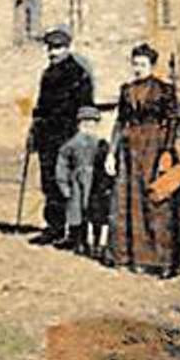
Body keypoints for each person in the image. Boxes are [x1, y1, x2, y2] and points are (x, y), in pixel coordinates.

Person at [106, 43, 180, 275]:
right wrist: (112, 152)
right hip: (131, 154)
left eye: (142, 64)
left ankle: (164, 261)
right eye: (135, 64)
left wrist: (167, 152)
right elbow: (121, 122)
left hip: (155, 150)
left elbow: (172, 121)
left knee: (159, 203)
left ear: (152, 65)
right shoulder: (126, 90)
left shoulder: (164, 90)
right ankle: (133, 257)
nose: (138, 68)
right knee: (130, 204)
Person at [28, 26, 93, 246]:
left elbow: (85, 108)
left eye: (57, 48)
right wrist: (34, 130)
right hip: (47, 136)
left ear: (67, 48)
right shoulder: (48, 73)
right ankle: (54, 228)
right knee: (49, 181)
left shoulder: (78, 73)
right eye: (50, 48)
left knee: (70, 183)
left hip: (68, 136)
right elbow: (41, 106)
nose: (53, 53)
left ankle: (75, 233)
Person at [55, 106, 109, 257]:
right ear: (79, 124)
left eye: (92, 123)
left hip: (95, 183)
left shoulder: (101, 143)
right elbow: (62, 165)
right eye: (85, 122)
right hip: (77, 182)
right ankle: (79, 242)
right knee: (76, 212)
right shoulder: (70, 145)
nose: (89, 126)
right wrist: (64, 185)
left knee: (96, 213)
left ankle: (97, 244)